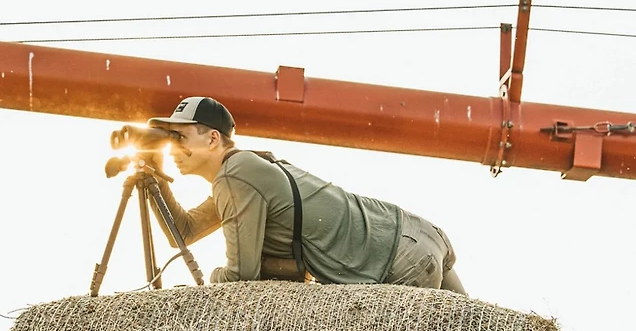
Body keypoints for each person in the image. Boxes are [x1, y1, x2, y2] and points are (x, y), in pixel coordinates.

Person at [147, 95, 465, 292]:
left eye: (180, 136)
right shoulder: (248, 170)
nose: (173, 147)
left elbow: (241, 276)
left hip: (398, 259)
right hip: (418, 237)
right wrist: (155, 178)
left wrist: (209, 280)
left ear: (213, 139)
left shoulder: (235, 175)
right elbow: (183, 233)